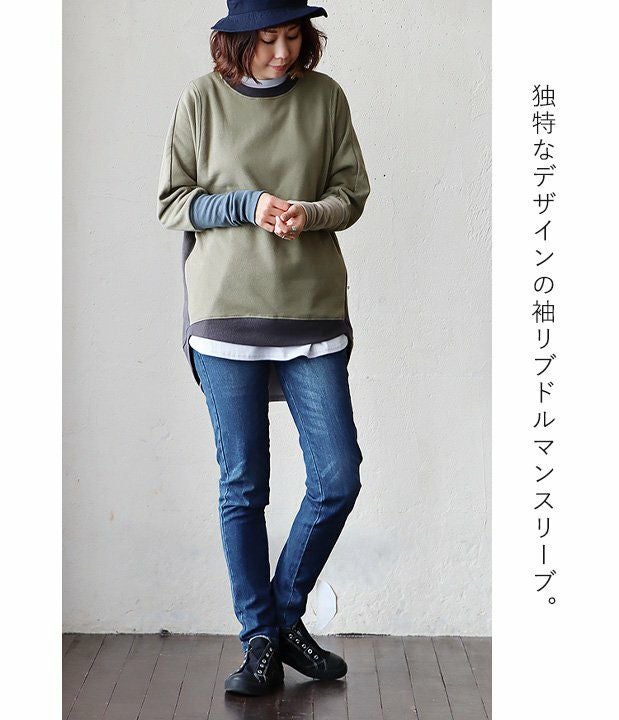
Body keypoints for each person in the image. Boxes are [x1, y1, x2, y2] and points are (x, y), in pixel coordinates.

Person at [156, 0, 371, 697]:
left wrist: (309, 213)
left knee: (338, 476)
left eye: (293, 36)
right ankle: (259, 638)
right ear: (235, 41)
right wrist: (247, 205)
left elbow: (351, 193)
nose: (283, 52)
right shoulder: (200, 100)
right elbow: (173, 202)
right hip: (226, 315)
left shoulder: (325, 98)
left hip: (311, 311)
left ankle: (281, 617)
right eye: (268, 39)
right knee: (243, 485)